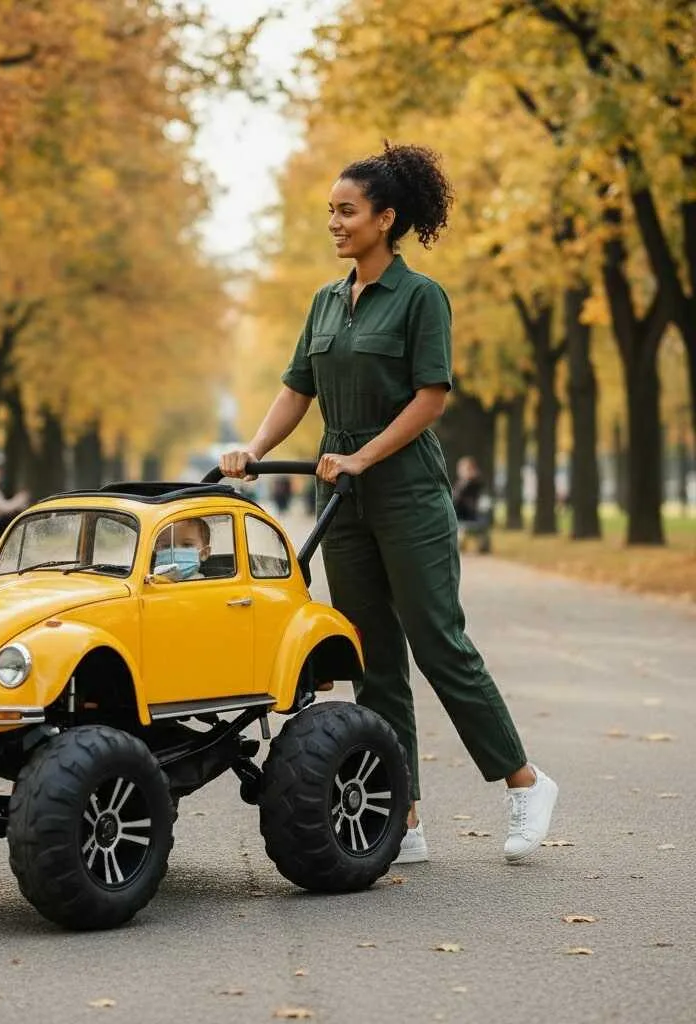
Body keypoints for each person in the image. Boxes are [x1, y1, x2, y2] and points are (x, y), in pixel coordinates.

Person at [220, 143, 557, 865]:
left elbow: (431, 397)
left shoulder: (421, 297)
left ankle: (525, 782)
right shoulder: (324, 301)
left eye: (347, 211)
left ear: (386, 218)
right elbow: (296, 388)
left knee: (439, 643)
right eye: (331, 213)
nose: (335, 224)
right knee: (373, 659)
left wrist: (366, 456)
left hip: (406, 493)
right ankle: (400, 817)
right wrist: (251, 447)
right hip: (345, 500)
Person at [453, 455, 492, 553]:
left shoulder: (478, 484)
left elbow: (485, 498)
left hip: (476, 516)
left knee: (482, 525)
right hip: (460, 516)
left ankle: (483, 547)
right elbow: (455, 501)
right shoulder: (460, 485)